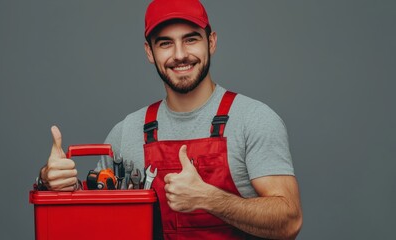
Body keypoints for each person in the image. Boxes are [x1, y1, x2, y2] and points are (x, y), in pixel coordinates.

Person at [37, 0, 303, 239]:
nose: (179, 55)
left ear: (211, 42)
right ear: (149, 52)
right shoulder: (128, 131)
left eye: (191, 39)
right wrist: (56, 182)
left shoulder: (253, 119)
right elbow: (93, 214)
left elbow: (289, 221)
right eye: (165, 43)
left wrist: (209, 198)